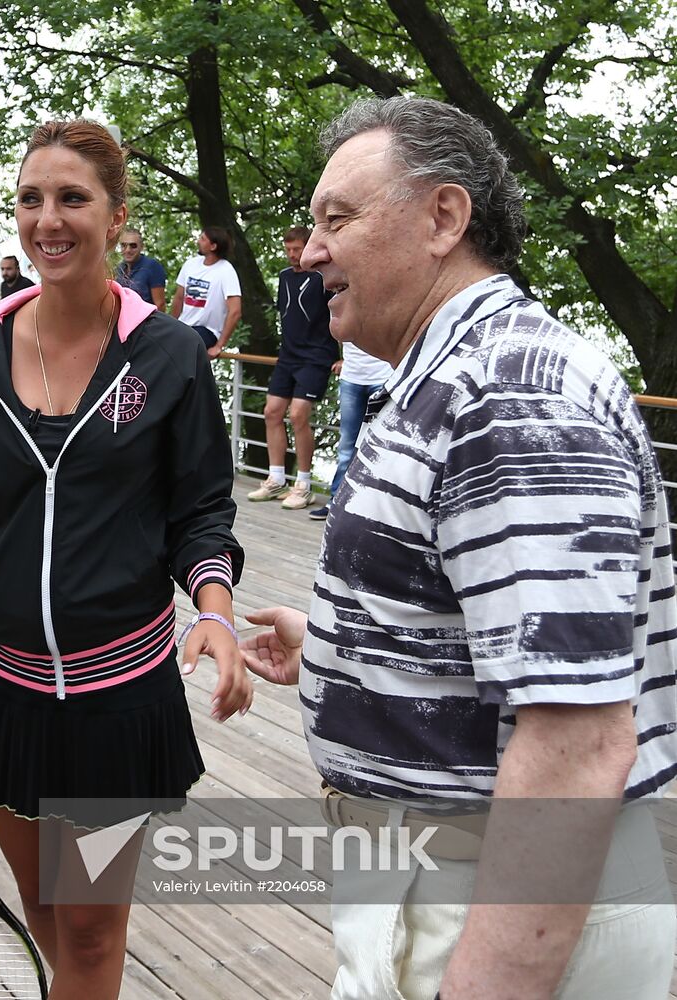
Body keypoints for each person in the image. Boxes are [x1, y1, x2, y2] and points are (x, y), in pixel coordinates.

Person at [241, 96, 677, 1000]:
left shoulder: (507, 393)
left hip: (492, 905)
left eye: (337, 218)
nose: (311, 249)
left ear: (444, 217)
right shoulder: (454, 374)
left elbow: (579, 742)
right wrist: (345, 642)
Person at [0, 118, 251, 1000]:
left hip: (117, 699)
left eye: (72, 199)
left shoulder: (170, 355)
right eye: (31, 198)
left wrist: (213, 610)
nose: (48, 219)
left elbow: (202, 508)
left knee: (94, 933)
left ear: (115, 216)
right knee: (42, 908)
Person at [247, 226, 338, 511]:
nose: (292, 255)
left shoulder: (324, 277)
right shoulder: (285, 277)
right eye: (288, 250)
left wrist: (343, 355)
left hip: (317, 356)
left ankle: (304, 484)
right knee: (271, 412)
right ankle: (276, 479)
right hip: (287, 356)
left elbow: (341, 313)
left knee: (298, 415)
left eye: (297, 249)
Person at [308, 342, 392, 521]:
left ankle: (375, 506)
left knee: (380, 444)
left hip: (382, 377)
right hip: (351, 378)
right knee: (347, 445)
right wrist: (343, 359)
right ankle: (337, 500)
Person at [170, 227, 242, 358]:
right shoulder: (190, 264)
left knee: (182, 350)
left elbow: (235, 311)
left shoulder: (226, 271)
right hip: (183, 326)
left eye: (203, 239)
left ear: (213, 246)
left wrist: (219, 346)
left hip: (206, 331)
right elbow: (179, 298)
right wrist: (169, 325)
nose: (198, 241)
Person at [115, 227, 167, 310]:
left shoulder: (152, 267)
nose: (128, 250)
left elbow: (160, 304)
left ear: (141, 247)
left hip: (146, 321)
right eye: (123, 245)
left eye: (133, 246)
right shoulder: (118, 269)